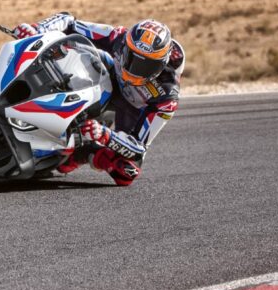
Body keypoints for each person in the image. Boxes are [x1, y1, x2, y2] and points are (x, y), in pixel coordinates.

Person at [11, 13, 185, 186]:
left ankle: (80, 154)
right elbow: (70, 22)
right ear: (126, 46)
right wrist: (37, 29)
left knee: (127, 172)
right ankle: (31, 93)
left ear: (161, 65)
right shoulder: (119, 37)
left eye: (146, 65)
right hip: (109, 74)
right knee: (72, 50)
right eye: (131, 57)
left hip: (133, 110)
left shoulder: (167, 96)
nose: (135, 70)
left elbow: (138, 148)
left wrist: (106, 135)